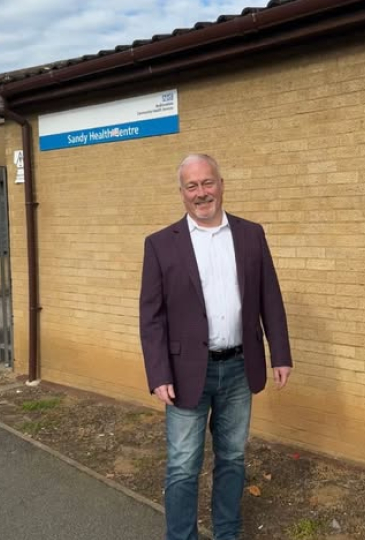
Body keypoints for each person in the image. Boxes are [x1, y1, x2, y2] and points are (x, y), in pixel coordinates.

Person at [139, 153, 293, 540]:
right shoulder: (160, 244)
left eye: (207, 183)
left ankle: (227, 532)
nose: (201, 193)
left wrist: (281, 354)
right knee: (182, 465)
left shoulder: (250, 234)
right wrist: (158, 374)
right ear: (181, 193)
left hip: (241, 368)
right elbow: (152, 316)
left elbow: (269, 297)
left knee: (233, 458)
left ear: (221, 185)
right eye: (192, 186)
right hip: (186, 373)